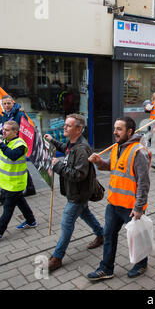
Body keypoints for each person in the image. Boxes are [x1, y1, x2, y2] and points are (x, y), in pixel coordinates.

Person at [87, 117, 151, 281]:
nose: (114, 132)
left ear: (129, 132)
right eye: (115, 128)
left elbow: (144, 183)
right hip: (113, 204)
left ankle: (141, 264)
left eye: (119, 129)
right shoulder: (116, 147)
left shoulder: (138, 152)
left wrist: (139, 207)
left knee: (136, 238)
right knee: (108, 236)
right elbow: (113, 165)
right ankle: (106, 268)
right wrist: (99, 162)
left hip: (131, 207)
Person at [44, 114, 104, 272]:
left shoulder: (82, 149)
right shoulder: (73, 143)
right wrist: (52, 141)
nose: (64, 127)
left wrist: (57, 166)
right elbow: (67, 150)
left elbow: (79, 175)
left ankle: (57, 257)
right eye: (65, 124)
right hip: (77, 193)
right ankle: (101, 234)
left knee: (66, 223)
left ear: (79, 129)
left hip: (78, 194)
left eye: (68, 126)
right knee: (85, 213)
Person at [0, 121, 37, 240]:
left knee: (8, 208)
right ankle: (31, 221)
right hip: (8, 182)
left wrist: (1, 143)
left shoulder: (20, 144)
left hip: (16, 183)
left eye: (7, 130)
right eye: (3, 129)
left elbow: (12, 155)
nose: (3, 132)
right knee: (20, 201)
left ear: (15, 132)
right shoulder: (6, 141)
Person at [0, 95, 36, 204]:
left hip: (17, 143)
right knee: (19, 167)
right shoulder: (5, 115)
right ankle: (30, 188)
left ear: (13, 103)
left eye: (8, 103)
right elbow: (5, 129)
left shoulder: (19, 113)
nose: (6, 105)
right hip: (9, 141)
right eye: (4, 104)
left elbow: (24, 127)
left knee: (13, 167)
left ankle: (3, 195)